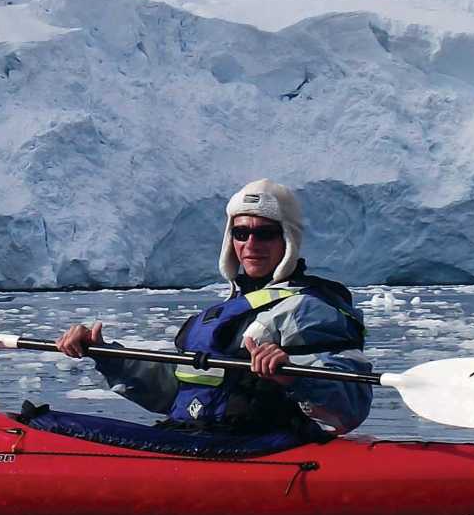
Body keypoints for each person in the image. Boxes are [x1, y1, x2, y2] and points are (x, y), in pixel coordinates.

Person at [55, 179, 371, 439]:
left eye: (265, 233)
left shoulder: (312, 309)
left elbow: (352, 405)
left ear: (287, 239)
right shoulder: (225, 311)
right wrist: (105, 355)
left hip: (263, 451)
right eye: (241, 232)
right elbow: (174, 390)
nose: (251, 244)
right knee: (50, 424)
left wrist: (295, 378)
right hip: (197, 440)